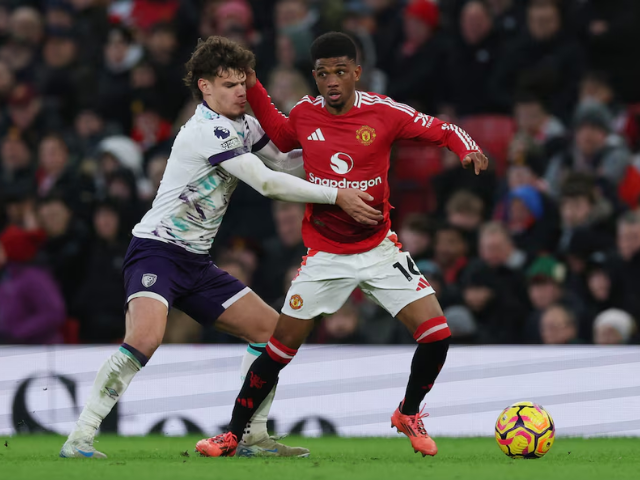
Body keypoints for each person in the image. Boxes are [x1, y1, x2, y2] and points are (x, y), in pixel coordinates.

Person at [59, 35, 380, 460]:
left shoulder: (246, 124)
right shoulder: (204, 129)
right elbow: (266, 182)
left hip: (195, 261)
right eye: (229, 85)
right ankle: (80, 436)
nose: (240, 93)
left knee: (272, 333)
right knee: (146, 337)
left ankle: (252, 435)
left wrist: (346, 151)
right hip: (156, 250)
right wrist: (336, 196)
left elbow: (285, 162)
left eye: (243, 84)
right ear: (204, 86)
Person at [196, 32, 489, 458]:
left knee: (437, 335)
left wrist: (467, 146)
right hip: (325, 256)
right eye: (321, 73)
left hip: (378, 249)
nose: (330, 81)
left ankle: (408, 412)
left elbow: (442, 128)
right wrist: (255, 86)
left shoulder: (384, 112)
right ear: (313, 76)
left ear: (356, 73)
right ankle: (232, 434)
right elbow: (279, 136)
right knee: (278, 350)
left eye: (339, 72)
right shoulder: (305, 114)